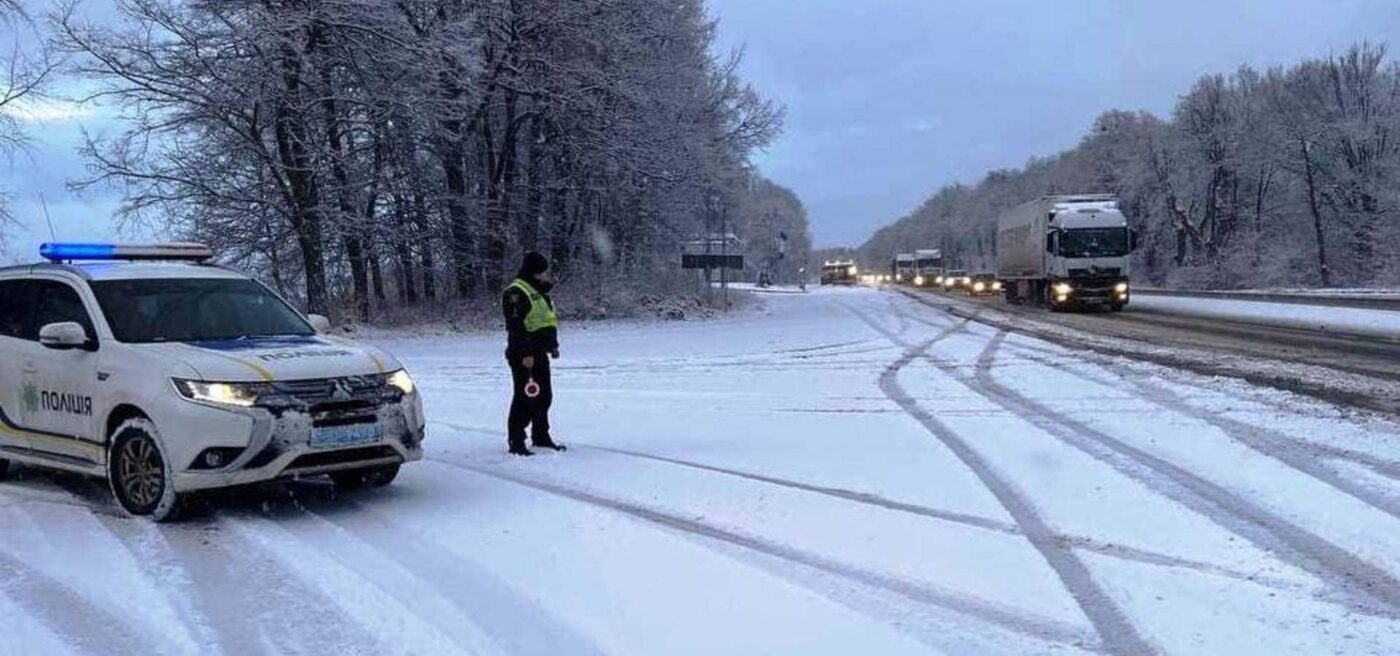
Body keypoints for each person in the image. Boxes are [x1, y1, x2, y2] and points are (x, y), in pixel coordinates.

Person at [502, 252, 566, 456]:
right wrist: (525, 353)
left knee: (544, 396)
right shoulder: (516, 292)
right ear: (533, 270)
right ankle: (516, 440)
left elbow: (546, 321)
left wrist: (552, 345)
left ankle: (541, 436)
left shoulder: (539, 291)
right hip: (523, 354)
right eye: (542, 271)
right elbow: (515, 326)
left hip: (539, 352)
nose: (545, 275)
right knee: (525, 397)